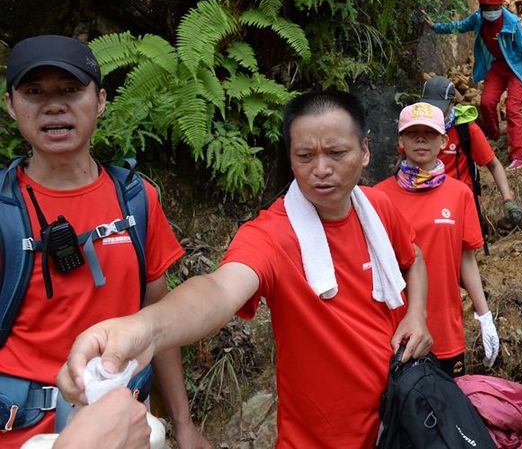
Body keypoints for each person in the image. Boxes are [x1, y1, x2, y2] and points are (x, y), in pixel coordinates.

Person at [58, 90, 432, 449]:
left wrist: (416, 316)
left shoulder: (379, 208)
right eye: (304, 156)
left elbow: (412, 260)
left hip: (402, 416)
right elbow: (219, 290)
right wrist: (145, 328)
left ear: (365, 151)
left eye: (337, 153)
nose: (321, 169)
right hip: (321, 438)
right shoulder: (272, 235)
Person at [0, 35, 208, 448]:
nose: (54, 105)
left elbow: (157, 320)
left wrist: (183, 424)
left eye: (72, 90)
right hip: (19, 432)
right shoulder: (5, 208)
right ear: (10, 105)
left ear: (100, 101)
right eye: (34, 91)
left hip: (126, 427)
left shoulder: (136, 199)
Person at [375, 102, 498, 377]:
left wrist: (485, 316)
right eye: (412, 133)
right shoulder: (377, 198)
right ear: (401, 140)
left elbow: (466, 259)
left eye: (429, 133)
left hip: (446, 330)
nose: (421, 140)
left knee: (446, 414)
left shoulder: (460, 194)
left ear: (444, 140)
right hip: (394, 332)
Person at [427, 0, 522, 170]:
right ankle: (493, 134)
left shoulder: (512, 23)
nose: (491, 10)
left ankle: (520, 155)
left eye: (495, 7)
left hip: (515, 70)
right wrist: (437, 27)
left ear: (501, 5)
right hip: (497, 67)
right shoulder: (478, 18)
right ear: (481, 6)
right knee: (486, 102)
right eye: (487, 7)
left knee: (512, 109)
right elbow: (460, 26)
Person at [420, 75, 522, 228]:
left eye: (440, 109)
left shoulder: (466, 130)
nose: (435, 114)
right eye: (430, 108)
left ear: (452, 103)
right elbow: (403, 161)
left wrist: (508, 199)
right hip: (425, 197)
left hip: (460, 200)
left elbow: (493, 165)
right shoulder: (417, 129)